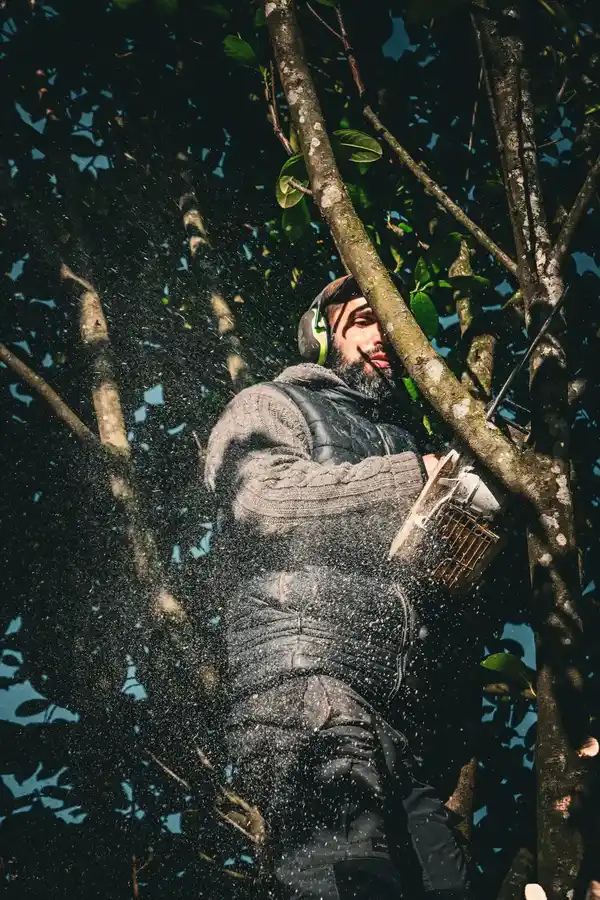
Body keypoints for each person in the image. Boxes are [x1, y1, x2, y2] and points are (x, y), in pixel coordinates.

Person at [204, 274, 469, 899]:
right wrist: (411, 478)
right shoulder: (273, 402)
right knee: (350, 881)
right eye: (363, 321)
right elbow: (260, 497)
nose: (384, 337)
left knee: (449, 885)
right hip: (307, 685)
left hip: (400, 710)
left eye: (394, 326)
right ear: (323, 335)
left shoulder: (410, 436)